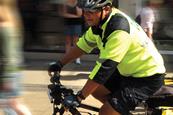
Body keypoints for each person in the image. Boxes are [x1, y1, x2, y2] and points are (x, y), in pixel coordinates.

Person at [48, 0, 166, 115]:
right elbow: (82, 46)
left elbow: (104, 69)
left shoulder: (118, 29)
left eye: (91, 11)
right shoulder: (99, 23)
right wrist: (59, 64)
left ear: (106, 9)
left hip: (147, 76)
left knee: (105, 112)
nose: (86, 16)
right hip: (128, 70)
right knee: (97, 91)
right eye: (85, 11)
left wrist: (79, 97)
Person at [0, 0, 32, 115]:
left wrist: (6, 79)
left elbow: (8, 57)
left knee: (10, 106)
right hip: (12, 72)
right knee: (12, 105)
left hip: (8, 73)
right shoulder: (12, 23)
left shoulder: (4, 27)